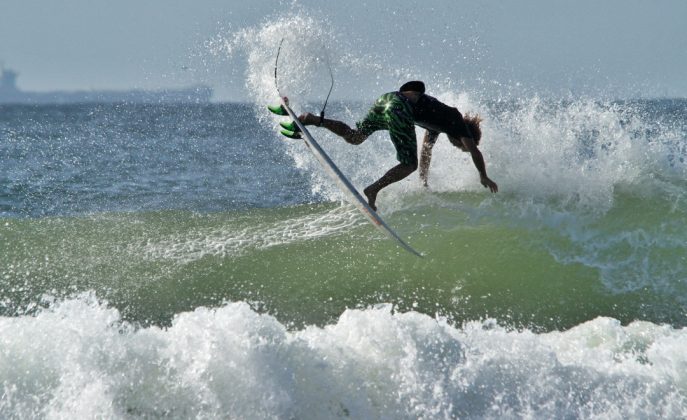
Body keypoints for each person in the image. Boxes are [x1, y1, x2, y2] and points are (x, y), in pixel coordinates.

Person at [296, 81, 498, 211]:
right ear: (466, 136)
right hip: (401, 108)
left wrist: (423, 181)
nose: (459, 147)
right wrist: (483, 175)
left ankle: (313, 119)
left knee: (356, 137)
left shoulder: (440, 124)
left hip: (387, 99)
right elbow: (475, 151)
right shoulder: (455, 120)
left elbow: (426, 151)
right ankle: (373, 189)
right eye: (461, 146)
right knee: (409, 164)